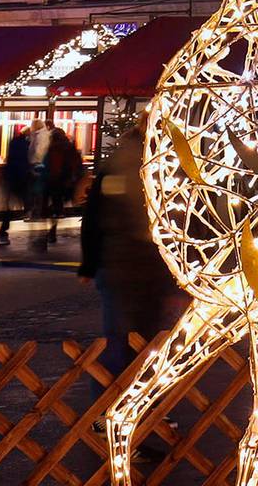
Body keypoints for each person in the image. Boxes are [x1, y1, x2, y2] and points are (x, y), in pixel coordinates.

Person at [79, 132, 177, 377]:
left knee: (119, 338)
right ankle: (139, 406)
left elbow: (94, 216)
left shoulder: (117, 164)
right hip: (147, 264)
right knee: (147, 339)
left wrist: (90, 263)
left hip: (119, 264)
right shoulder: (163, 163)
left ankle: (109, 405)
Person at [35, 131, 85, 253]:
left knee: (45, 209)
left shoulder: (53, 149)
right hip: (63, 183)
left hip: (52, 182)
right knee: (56, 206)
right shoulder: (70, 148)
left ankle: (46, 235)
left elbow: (48, 166)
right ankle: (52, 230)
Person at [0, 121, 42, 246]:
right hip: (22, 177)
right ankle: (34, 231)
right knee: (29, 202)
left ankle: (3, 232)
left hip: (11, 176)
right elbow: (28, 159)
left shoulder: (14, 142)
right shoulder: (28, 145)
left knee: (9, 208)